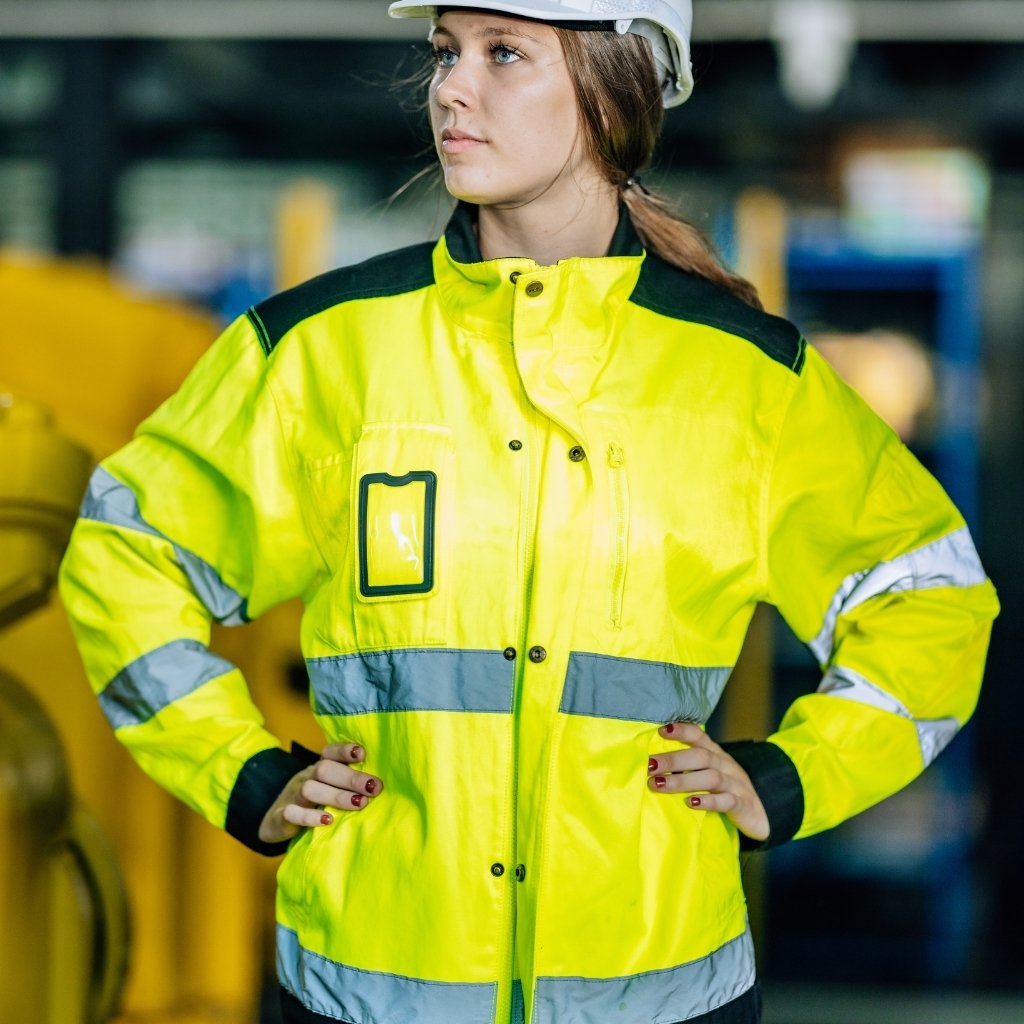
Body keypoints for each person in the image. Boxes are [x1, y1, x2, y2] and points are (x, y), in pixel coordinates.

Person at [58, 2, 999, 1023]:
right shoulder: (318, 354)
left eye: (505, 54)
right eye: (447, 54)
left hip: (658, 994)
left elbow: (927, 597)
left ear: (613, 87)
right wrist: (237, 771)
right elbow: (125, 552)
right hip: (368, 996)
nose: (454, 89)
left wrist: (791, 775)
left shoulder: (747, 384)